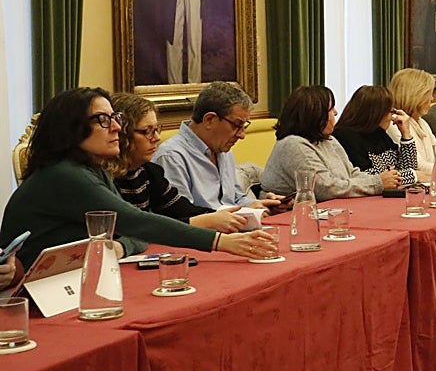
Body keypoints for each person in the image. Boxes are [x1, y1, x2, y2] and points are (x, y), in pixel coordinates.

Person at [0, 87, 274, 265]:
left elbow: (132, 231)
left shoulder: (93, 170)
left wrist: (118, 247)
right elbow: (137, 222)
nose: (117, 127)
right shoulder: (64, 176)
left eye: (115, 117)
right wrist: (221, 243)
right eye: (103, 120)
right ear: (71, 129)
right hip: (26, 293)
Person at [108, 93, 246, 232]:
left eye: (156, 129)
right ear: (121, 135)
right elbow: (137, 227)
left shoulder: (149, 172)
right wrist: (210, 220)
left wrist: (226, 217)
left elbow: (181, 210)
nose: (156, 138)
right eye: (146, 131)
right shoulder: (105, 179)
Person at [261, 86, 405, 201]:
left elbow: (351, 173)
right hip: (292, 217)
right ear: (316, 114)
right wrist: (377, 183)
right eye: (331, 109)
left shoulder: (328, 139)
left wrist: (387, 180)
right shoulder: (293, 144)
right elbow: (325, 188)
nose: (336, 113)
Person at [155, 81, 281, 211]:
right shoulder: (171, 157)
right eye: (237, 125)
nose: (242, 135)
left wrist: (258, 205)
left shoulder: (224, 150)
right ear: (209, 120)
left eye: (244, 126)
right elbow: (181, 218)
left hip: (235, 227)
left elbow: (235, 199)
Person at [331, 84, 420, 185]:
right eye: (391, 112)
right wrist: (415, 175)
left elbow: (408, 168)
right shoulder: (346, 137)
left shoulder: (379, 133)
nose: (392, 117)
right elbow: (370, 179)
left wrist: (406, 134)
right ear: (377, 114)